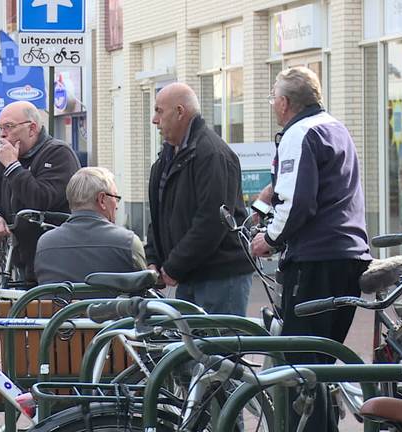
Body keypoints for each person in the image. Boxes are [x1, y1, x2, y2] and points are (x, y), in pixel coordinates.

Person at [251, 66, 372, 432]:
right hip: (349, 257)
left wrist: (269, 238)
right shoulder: (335, 128)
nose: (272, 104)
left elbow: (298, 204)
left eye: (273, 97)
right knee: (320, 363)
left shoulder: (299, 134)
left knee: (300, 367)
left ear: (285, 102)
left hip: (315, 261)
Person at [144, 82, 253, 316]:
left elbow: (213, 221)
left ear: (180, 112)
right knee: (193, 350)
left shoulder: (211, 154)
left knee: (219, 349)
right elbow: (159, 215)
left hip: (220, 276)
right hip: (191, 273)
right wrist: (154, 258)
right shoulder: (168, 157)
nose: (154, 120)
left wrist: (173, 266)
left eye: (159, 111)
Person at [0, 101, 81, 284]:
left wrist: (13, 167)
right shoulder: (4, 158)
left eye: (8, 126)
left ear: (32, 128)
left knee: (47, 309)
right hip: (19, 255)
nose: (2, 134)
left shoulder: (58, 154)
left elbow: (40, 199)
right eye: (0, 127)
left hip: (54, 258)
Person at [34, 167, 146, 286]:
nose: (117, 206)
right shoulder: (127, 243)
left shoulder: (45, 244)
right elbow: (145, 291)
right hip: (110, 305)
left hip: (61, 305)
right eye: (115, 198)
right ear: (102, 199)